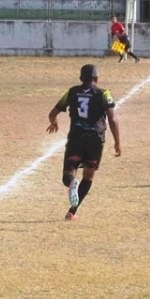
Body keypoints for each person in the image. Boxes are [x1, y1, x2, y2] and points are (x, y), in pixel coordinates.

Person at [46, 64, 121, 221]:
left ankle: (72, 183)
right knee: (88, 174)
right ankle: (72, 211)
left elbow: (52, 113)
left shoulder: (72, 92)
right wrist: (117, 142)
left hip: (76, 138)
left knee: (68, 173)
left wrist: (54, 122)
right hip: (95, 140)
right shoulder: (104, 93)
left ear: (81, 79)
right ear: (97, 79)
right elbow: (112, 119)